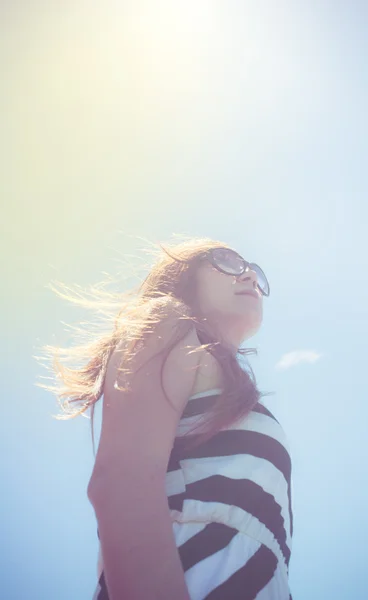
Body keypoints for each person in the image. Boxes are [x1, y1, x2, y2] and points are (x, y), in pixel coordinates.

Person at [42, 237, 293, 599]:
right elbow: (122, 484)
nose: (249, 276)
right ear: (184, 275)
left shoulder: (232, 388)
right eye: (229, 261)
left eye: (255, 272)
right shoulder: (167, 321)